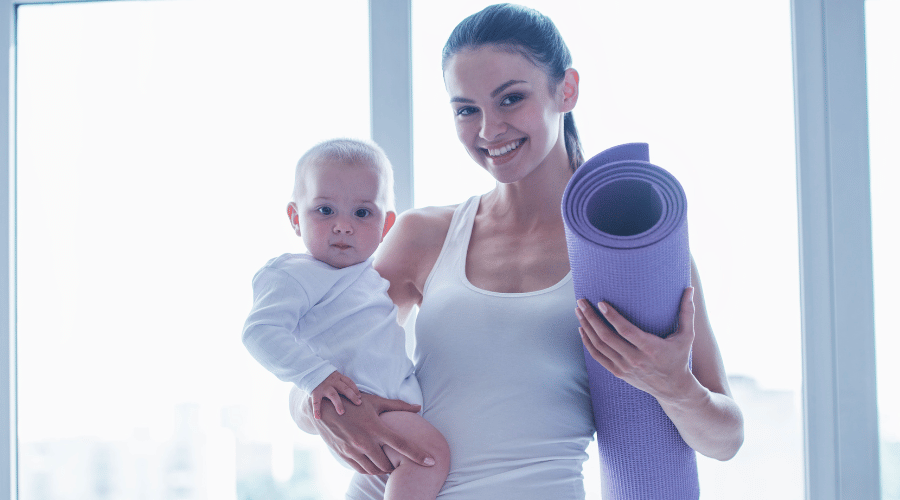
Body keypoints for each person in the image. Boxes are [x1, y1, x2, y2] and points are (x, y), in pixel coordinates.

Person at [290, 4, 744, 499]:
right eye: (466, 109)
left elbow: (726, 439)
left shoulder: (629, 250)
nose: (488, 129)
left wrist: (673, 384)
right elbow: (312, 370)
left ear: (566, 89)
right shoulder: (426, 235)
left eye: (510, 99)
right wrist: (321, 405)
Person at [243, 138, 450, 500]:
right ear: (295, 218)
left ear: (386, 226)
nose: (343, 226)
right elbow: (259, 331)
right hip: (359, 404)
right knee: (429, 456)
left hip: (393, 405)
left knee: (378, 479)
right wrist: (315, 377)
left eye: (362, 213)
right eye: (325, 211)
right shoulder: (292, 274)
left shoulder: (369, 277)